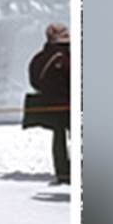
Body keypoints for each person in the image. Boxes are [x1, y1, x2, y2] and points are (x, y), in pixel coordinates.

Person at [26, 23, 72, 185]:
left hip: (48, 104)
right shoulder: (67, 57)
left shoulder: (39, 58)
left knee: (58, 137)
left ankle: (63, 172)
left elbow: (34, 81)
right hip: (68, 103)